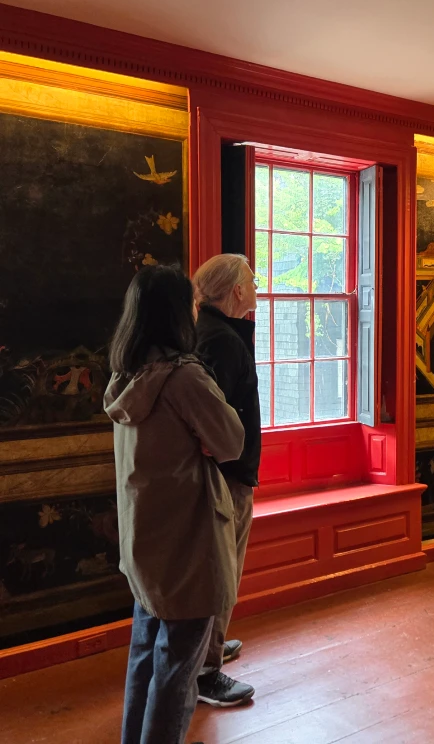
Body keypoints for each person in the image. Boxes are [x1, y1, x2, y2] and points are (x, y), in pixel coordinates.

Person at [104, 265, 245, 744]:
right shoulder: (184, 378)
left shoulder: (124, 374)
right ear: (174, 313)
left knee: (145, 656)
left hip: (143, 539)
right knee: (178, 673)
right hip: (187, 543)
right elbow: (230, 442)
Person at [191, 254, 260, 707]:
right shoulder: (221, 340)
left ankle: (211, 648)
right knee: (222, 574)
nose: (257, 286)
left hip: (227, 473)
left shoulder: (213, 333)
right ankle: (206, 672)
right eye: (252, 280)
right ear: (236, 291)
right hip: (226, 477)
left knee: (222, 571)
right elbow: (211, 420)